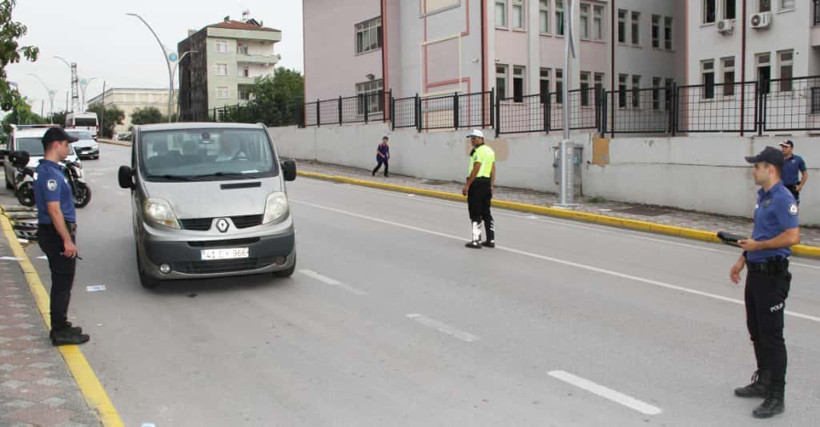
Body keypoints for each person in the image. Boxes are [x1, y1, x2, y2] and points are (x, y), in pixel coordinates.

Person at [730, 146, 800, 419]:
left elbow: (792, 236)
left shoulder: (783, 197)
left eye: (757, 166)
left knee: (772, 337)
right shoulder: (763, 197)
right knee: (756, 331)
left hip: (773, 276)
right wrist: (742, 259)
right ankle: (764, 381)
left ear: (770, 169)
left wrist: (759, 246)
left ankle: (776, 395)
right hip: (756, 273)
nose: (753, 171)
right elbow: (759, 233)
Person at [34, 128, 90, 346]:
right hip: (56, 233)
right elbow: (54, 210)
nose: (68, 149)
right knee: (62, 282)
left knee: (63, 281)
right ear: (56, 145)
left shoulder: (52, 170)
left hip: (55, 231)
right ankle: (59, 331)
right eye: (66, 145)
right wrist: (66, 240)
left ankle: (61, 324)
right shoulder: (50, 174)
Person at [462, 129, 496, 249]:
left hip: (477, 184)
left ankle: (476, 240)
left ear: (481, 139)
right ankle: (491, 239)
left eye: (475, 138)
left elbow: (476, 168)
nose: (472, 140)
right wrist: (491, 185)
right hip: (486, 183)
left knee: (475, 212)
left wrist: (467, 185)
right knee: (486, 212)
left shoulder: (479, 152)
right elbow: (493, 169)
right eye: (471, 138)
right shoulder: (490, 151)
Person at [779, 140, 807, 204]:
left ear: (791, 148)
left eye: (786, 147)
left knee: (792, 207)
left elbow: (805, 174)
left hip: (792, 189)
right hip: (780, 188)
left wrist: (800, 186)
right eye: (782, 147)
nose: (783, 149)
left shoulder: (798, 159)